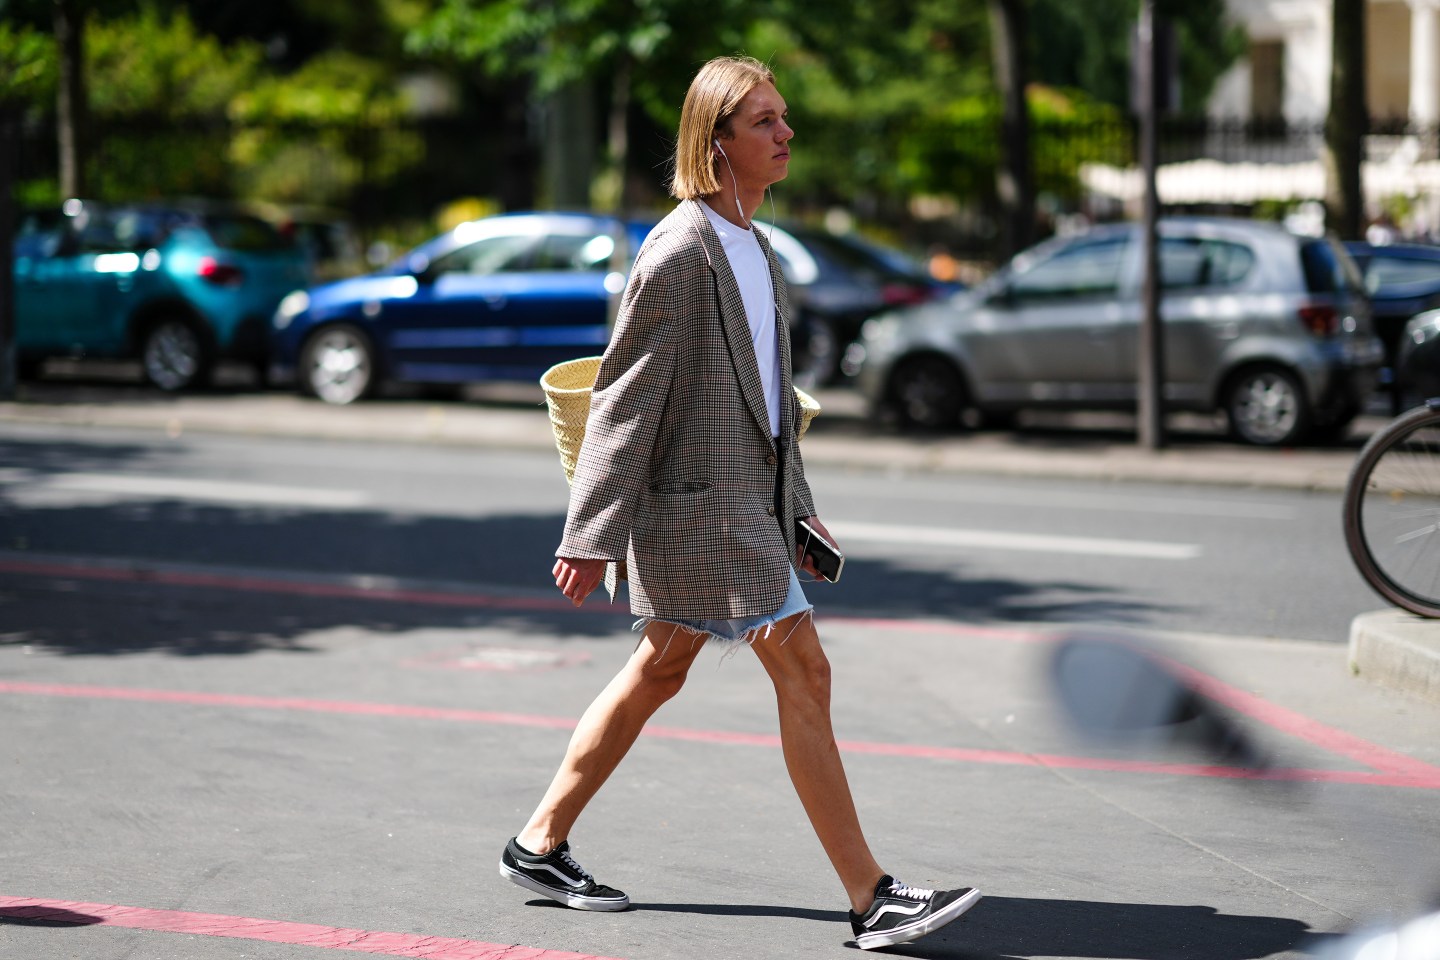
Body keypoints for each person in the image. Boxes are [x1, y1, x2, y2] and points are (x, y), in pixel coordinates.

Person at [498, 55, 981, 951]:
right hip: (697, 511)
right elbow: (626, 398)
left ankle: (538, 843)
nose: (786, 133)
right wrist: (591, 534)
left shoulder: (754, 248)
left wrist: (798, 506)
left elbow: (769, 404)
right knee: (807, 671)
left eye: (783, 117)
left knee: (659, 670)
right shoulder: (680, 252)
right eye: (764, 121)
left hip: (745, 505)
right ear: (715, 141)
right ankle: (870, 897)